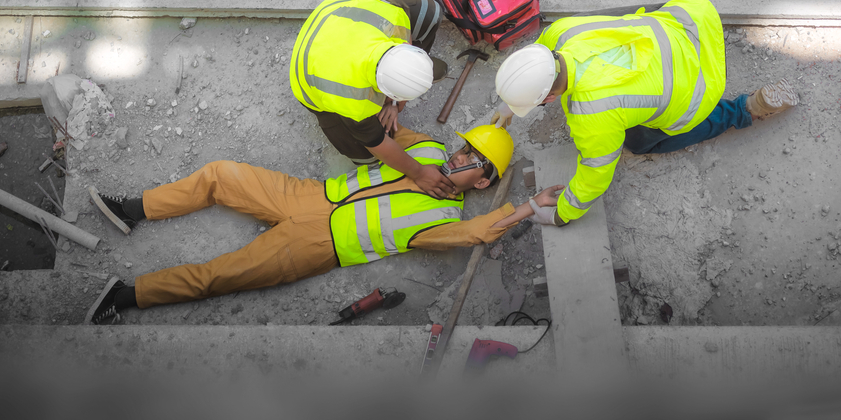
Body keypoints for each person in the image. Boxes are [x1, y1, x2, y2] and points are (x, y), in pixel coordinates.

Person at [85, 125, 563, 325]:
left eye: (475, 160)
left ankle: (125, 296)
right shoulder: (429, 150)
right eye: (466, 147)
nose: (461, 157)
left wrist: (527, 207)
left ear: (482, 184)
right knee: (221, 174)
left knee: (218, 275)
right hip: (311, 194)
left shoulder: (442, 219)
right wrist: (390, 109)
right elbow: (386, 129)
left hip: (316, 246)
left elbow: (477, 235)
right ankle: (129, 210)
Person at [492, 0, 798, 226]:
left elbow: (595, 174)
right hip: (693, 25)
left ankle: (744, 110)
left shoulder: (591, 114)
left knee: (637, 142)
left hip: (702, 84)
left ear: (548, 98)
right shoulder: (562, 33)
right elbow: (537, 61)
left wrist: (563, 214)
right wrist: (510, 105)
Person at [289, 0, 455, 198]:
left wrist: (394, 104)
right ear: (381, 91)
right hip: (308, 74)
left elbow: (407, 41)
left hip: (335, 15)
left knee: (430, 11)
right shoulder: (353, 100)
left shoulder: (395, 18)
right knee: (367, 157)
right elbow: (377, 143)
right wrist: (419, 173)